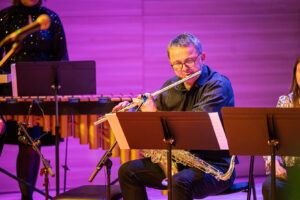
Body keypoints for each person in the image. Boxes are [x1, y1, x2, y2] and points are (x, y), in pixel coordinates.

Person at [114, 33, 236, 200]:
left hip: (213, 167)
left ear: (203, 57)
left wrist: (153, 114)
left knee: (179, 181)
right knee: (128, 172)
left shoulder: (218, 85)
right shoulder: (170, 87)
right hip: (180, 161)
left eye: (190, 61)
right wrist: (131, 114)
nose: (184, 69)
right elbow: (156, 128)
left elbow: (194, 127)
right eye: (177, 64)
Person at [0, 0, 68, 199]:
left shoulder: (51, 19)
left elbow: (61, 57)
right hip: (9, 91)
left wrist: (62, 91)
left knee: (31, 142)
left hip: (40, 91)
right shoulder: (5, 17)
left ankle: (26, 196)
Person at [262, 56, 300, 200]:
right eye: (299, 71)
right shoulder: (285, 101)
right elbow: (272, 137)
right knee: (270, 187)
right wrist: (275, 162)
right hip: (288, 171)